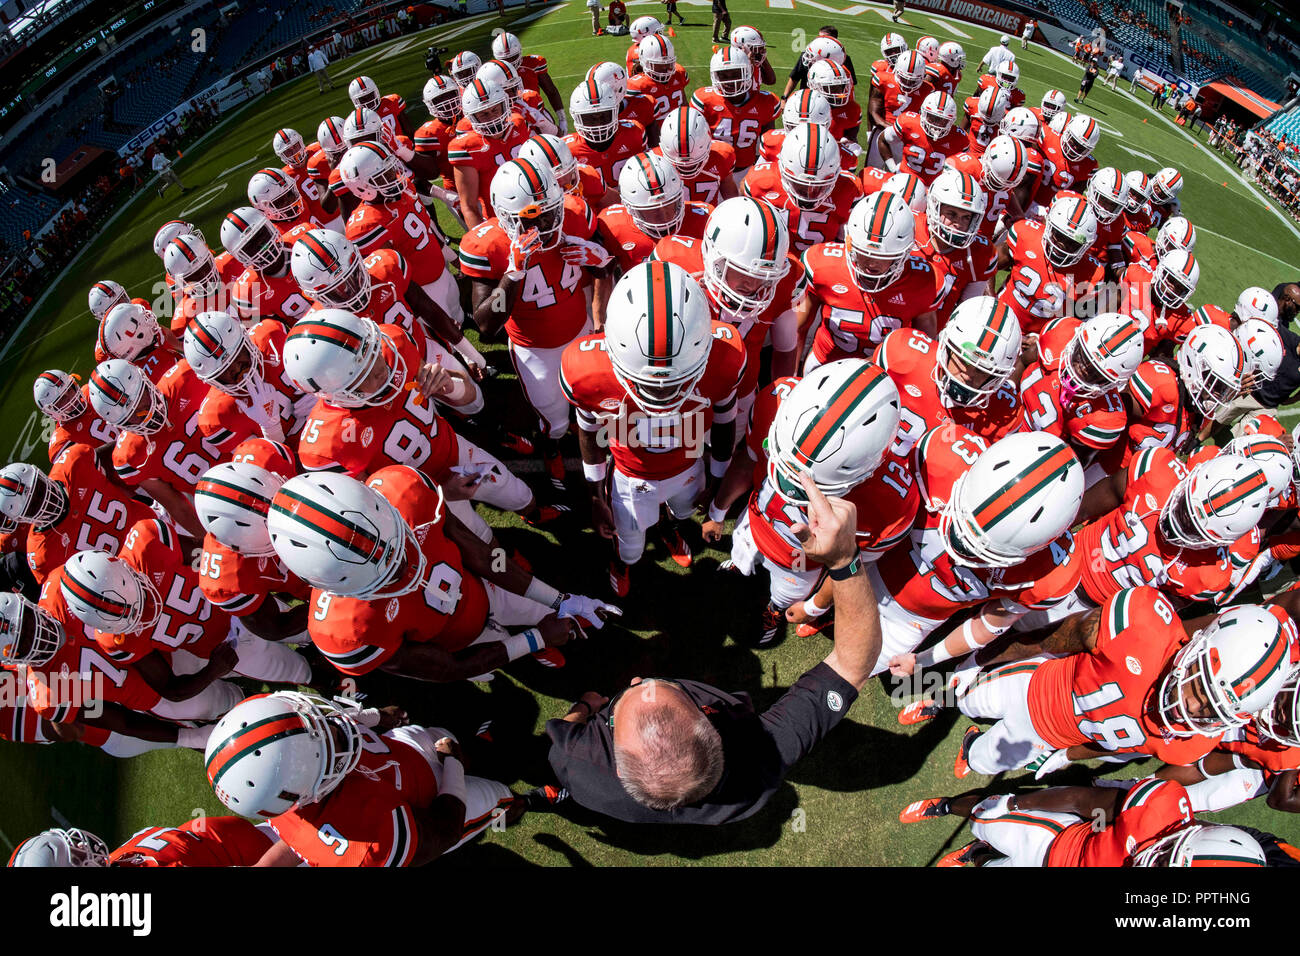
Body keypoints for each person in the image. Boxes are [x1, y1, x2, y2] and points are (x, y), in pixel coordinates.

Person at [545, 473, 882, 824]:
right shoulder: (756, 770)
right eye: (661, 686)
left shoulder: (575, 761)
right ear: (708, 716)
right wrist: (845, 561)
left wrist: (586, 706)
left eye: (620, 710)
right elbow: (853, 665)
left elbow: (564, 731)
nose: (637, 681)